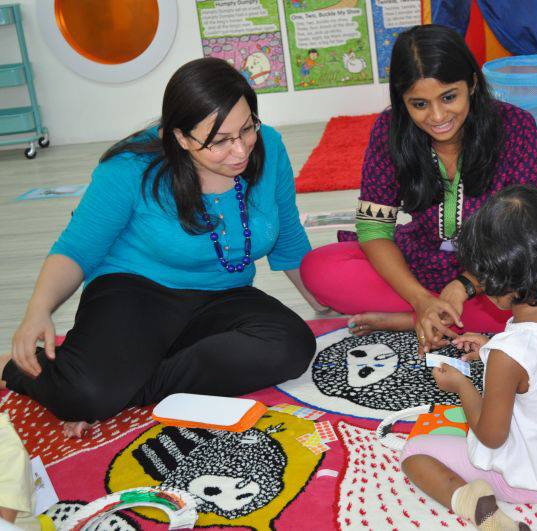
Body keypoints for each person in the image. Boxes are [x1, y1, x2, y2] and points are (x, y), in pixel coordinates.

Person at [1, 58, 324, 436]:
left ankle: (118, 388)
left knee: (292, 346)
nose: (240, 150)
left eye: (247, 128)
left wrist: (322, 302)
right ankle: (23, 370)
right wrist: (38, 310)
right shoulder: (130, 166)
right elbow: (77, 249)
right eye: (219, 141)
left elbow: (288, 238)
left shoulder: (269, 148)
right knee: (86, 393)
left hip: (224, 294)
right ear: (181, 137)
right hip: (136, 292)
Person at [300, 24, 537, 353]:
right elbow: (374, 228)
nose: (438, 116)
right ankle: (430, 312)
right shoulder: (389, 131)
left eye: (448, 97)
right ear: (402, 102)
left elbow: (529, 233)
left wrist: (466, 285)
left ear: (472, 83)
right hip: (421, 259)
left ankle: (417, 317)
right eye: (419, 104)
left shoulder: (515, 127)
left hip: (497, 271)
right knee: (319, 270)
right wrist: (420, 298)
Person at [400, 185, 537, 530]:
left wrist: (462, 385)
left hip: (528, 480)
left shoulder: (508, 355)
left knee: (414, 453)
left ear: (500, 282)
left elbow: (491, 436)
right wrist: (490, 346)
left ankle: (478, 507)